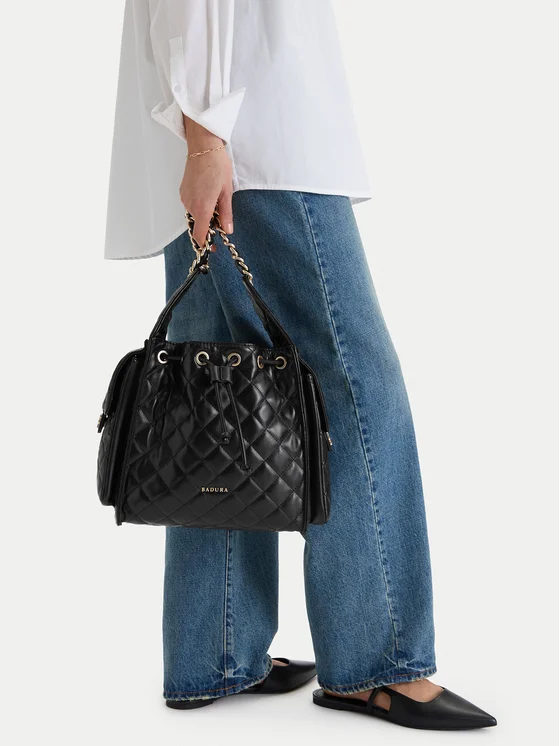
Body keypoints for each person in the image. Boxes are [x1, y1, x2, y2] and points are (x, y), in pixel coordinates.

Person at [105, 0, 496, 730]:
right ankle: (378, 661)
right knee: (353, 384)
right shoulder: (227, 133)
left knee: (211, 393)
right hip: (256, 143)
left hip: (220, 138)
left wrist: (200, 137)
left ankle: (214, 651)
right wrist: (206, 138)